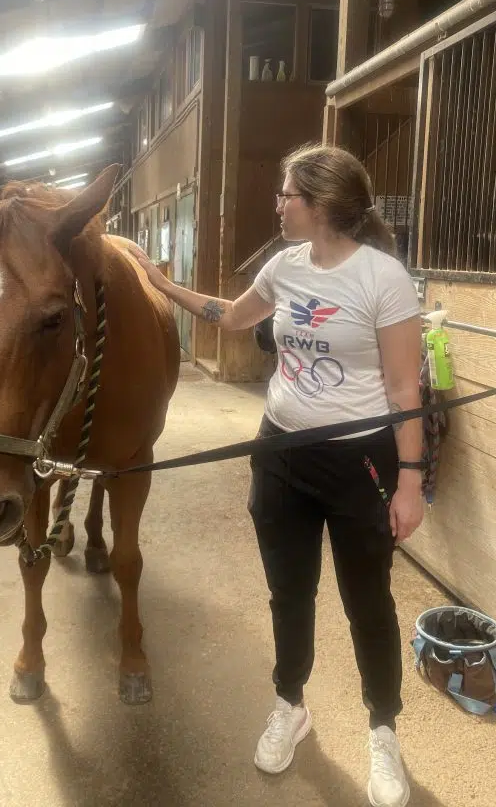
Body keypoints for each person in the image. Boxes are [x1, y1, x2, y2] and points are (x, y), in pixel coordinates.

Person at [130, 143, 424, 807]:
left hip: (360, 461)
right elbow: (234, 317)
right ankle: (290, 703)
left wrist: (408, 482)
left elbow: (406, 386)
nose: (278, 204)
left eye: (286, 194)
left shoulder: (382, 277)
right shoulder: (285, 266)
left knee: (367, 603)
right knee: (290, 594)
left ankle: (383, 728)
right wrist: (163, 285)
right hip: (282, 456)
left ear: (318, 203)